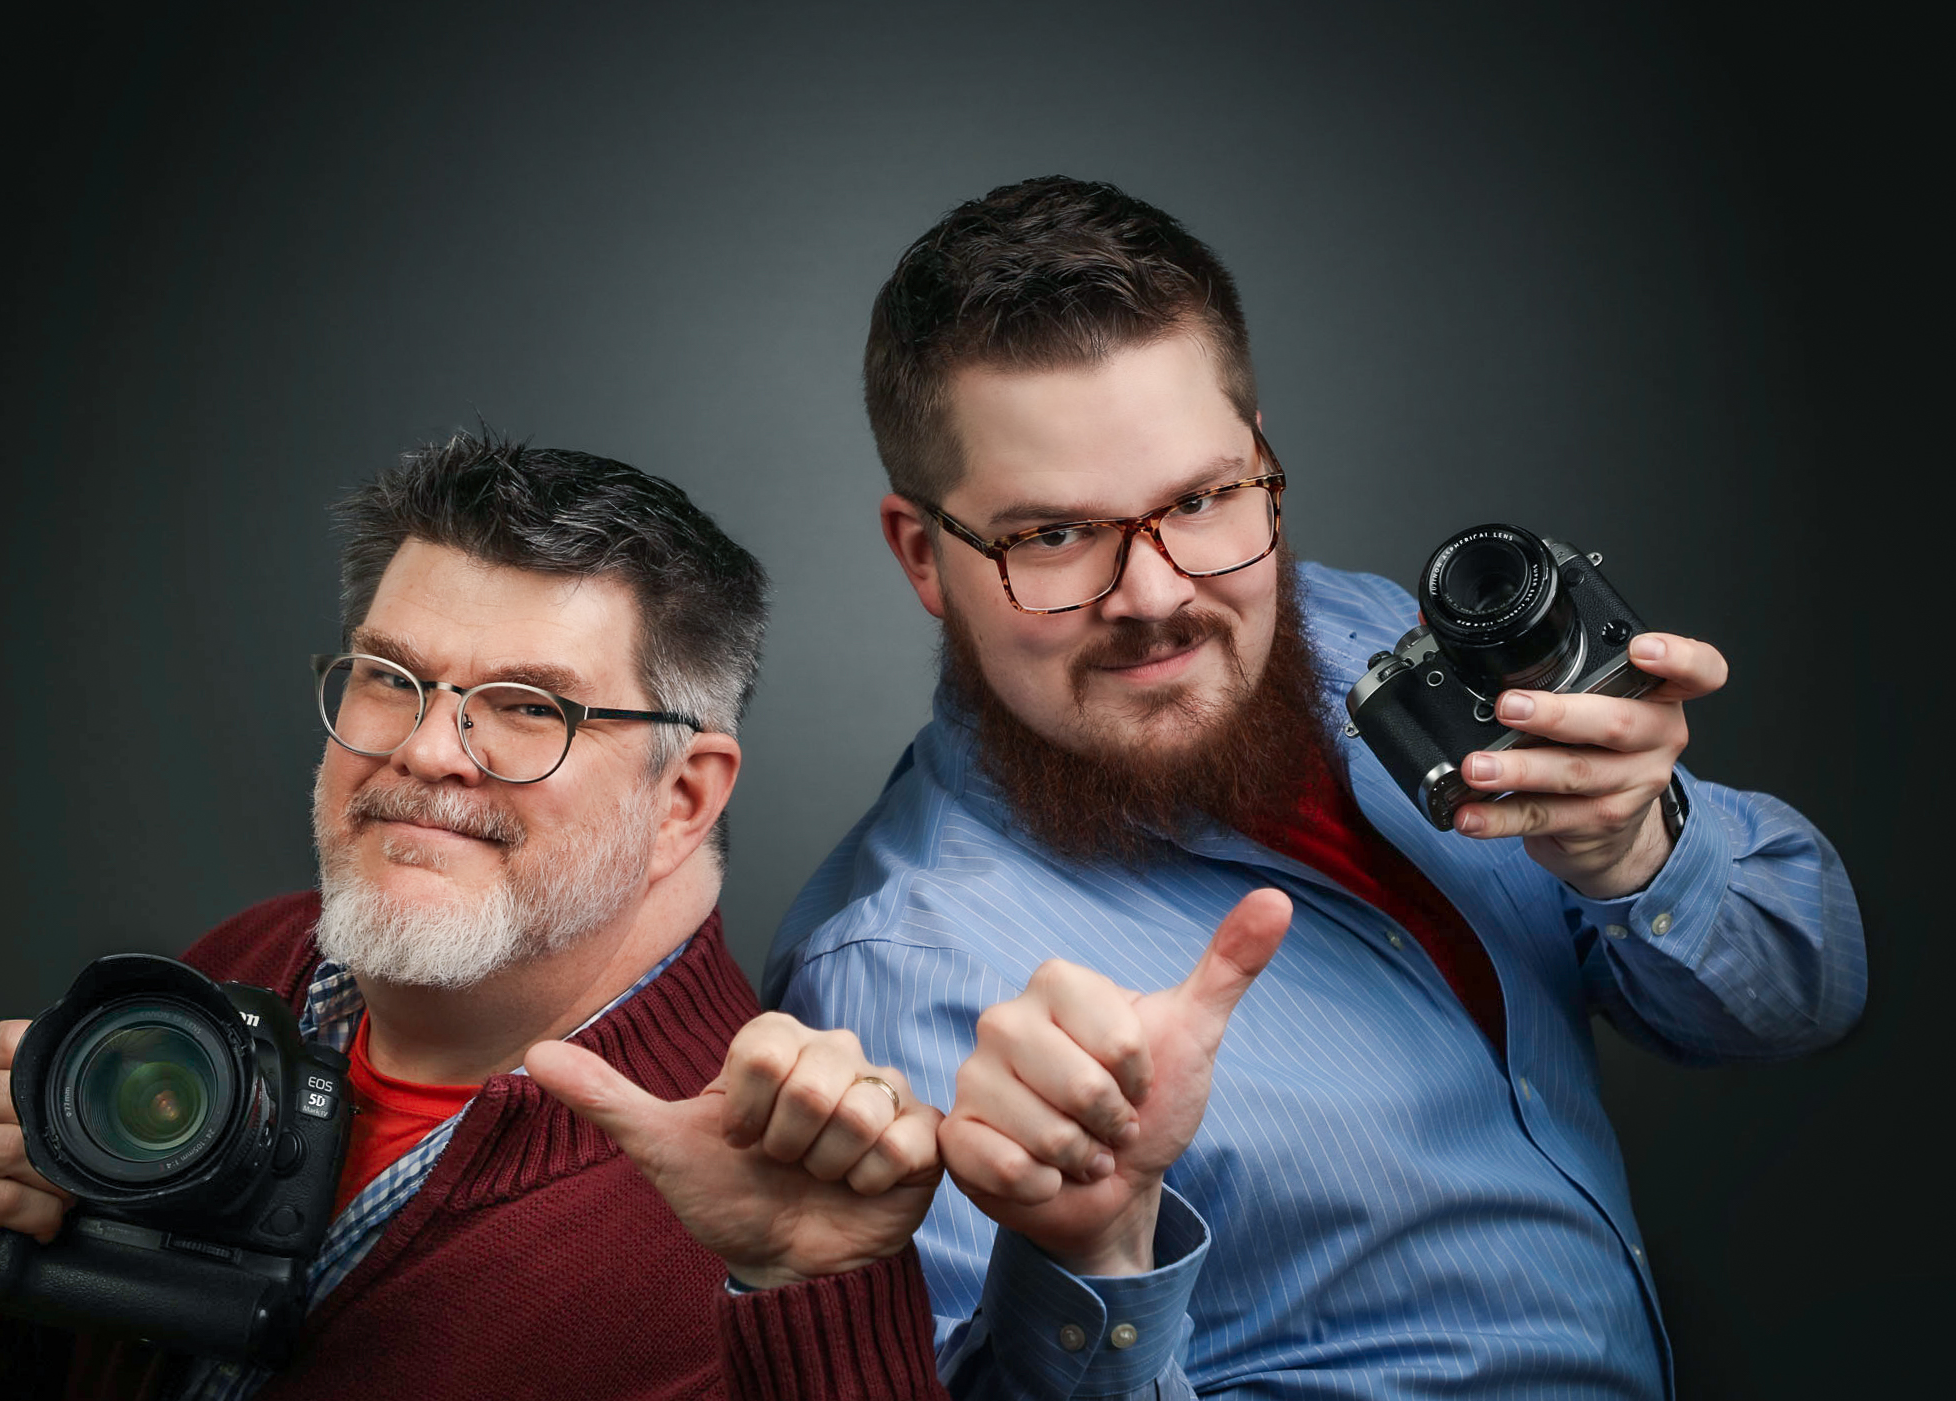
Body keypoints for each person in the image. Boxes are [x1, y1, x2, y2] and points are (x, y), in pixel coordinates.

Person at [764, 176, 1866, 1399]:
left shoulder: (1360, 633)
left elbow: (1796, 1004)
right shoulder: (895, 979)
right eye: (1052, 536)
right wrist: (1091, 1252)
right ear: (924, 555)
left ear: (1258, 462)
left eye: (1199, 497)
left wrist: (1638, 858)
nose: (1159, 595)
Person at [0, 434, 951, 1400]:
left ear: (682, 798)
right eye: (388, 677)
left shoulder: (747, 1226)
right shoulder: (237, 968)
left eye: (525, 708)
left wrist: (816, 1300)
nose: (422, 749)